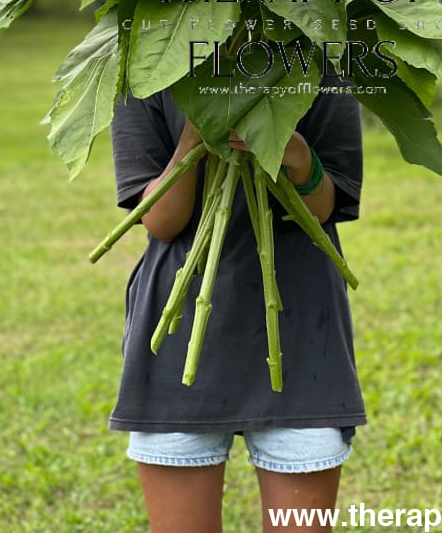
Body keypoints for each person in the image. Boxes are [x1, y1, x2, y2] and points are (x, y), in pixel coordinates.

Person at [108, 79, 366, 533]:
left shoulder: (320, 57)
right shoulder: (146, 64)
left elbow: (324, 208)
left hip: (302, 334)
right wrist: (194, 137)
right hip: (181, 330)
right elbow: (162, 223)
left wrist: (300, 159)